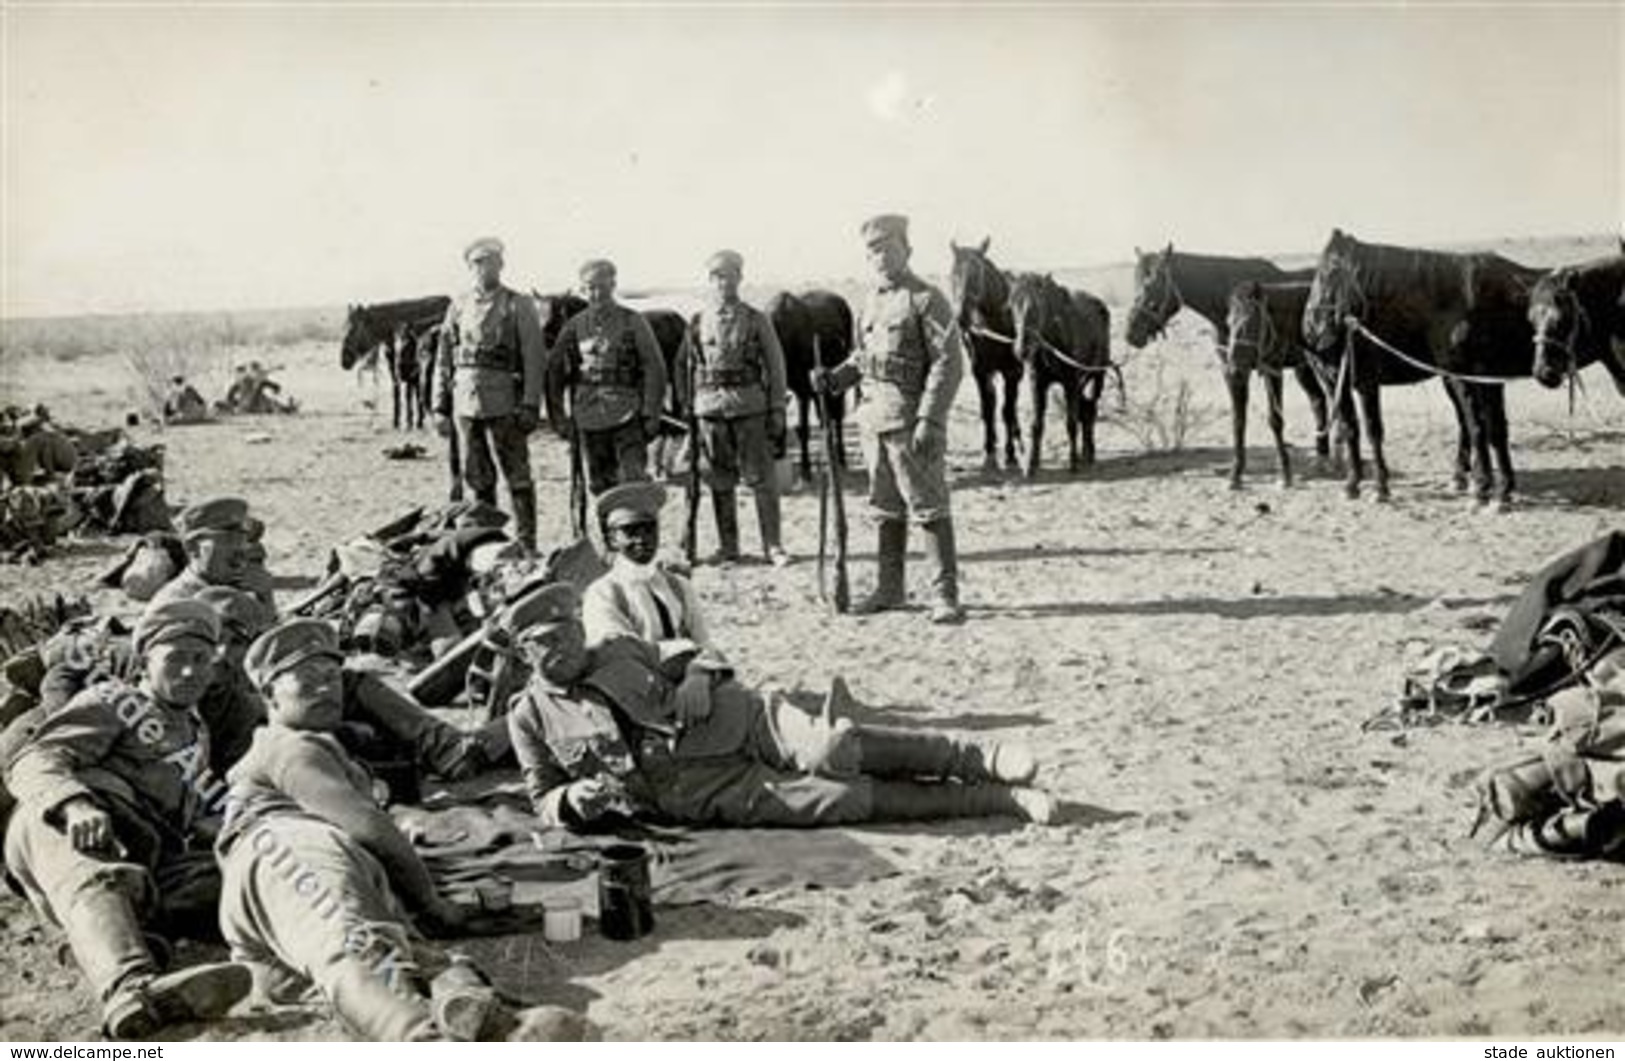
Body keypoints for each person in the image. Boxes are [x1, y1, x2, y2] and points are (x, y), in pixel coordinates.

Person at [217, 618, 590, 1041]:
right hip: (287, 849)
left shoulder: (316, 744)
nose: (326, 689)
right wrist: (434, 904)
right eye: (307, 680)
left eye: (333, 678)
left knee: (398, 959)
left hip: (281, 886)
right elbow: (368, 827)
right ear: (268, 693)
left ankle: (477, 1016)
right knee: (356, 947)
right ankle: (416, 1036)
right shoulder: (290, 747)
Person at [504, 582, 1055, 829]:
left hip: (743, 719)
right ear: (523, 652)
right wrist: (572, 800)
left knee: (830, 749)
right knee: (838, 799)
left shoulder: (616, 648)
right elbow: (541, 796)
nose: (566, 650)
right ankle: (994, 800)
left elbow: (701, 651)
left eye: (570, 634)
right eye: (547, 644)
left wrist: (698, 672)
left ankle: (972, 757)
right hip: (697, 793)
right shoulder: (527, 716)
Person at [2, 601, 253, 1038]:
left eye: (200, 660)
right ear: (145, 661)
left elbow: (188, 812)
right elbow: (34, 760)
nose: (190, 673)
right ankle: (130, 989)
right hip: (57, 830)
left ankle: (142, 938)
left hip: (143, 851)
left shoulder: (196, 731)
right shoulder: (113, 701)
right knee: (97, 872)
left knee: (238, 871)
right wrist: (75, 805)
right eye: (175, 659)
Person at [813, 214, 968, 624]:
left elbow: (949, 363)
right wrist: (834, 378)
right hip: (872, 421)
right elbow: (863, 358)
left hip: (910, 420)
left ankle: (944, 594)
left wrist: (930, 420)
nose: (881, 257)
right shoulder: (872, 301)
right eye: (873, 251)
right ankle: (890, 589)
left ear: (907, 250)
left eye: (889, 248)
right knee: (885, 507)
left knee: (928, 506)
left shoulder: (926, 299)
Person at [433, 238, 547, 552]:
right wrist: (439, 405)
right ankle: (488, 543)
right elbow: (444, 358)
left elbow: (535, 357)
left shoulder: (517, 303)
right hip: (465, 403)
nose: (486, 268)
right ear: (470, 267)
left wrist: (530, 403)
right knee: (477, 480)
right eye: (479, 262)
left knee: (517, 477)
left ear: (502, 264)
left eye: (492, 261)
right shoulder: (458, 305)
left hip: (504, 403)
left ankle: (527, 543)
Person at [676, 250, 790, 566]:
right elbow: (683, 366)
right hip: (710, 410)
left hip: (749, 407)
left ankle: (773, 545)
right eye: (717, 277)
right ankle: (729, 546)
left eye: (730, 275)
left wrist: (777, 407)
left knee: (762, 480)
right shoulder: (698, 321)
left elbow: (776, 366)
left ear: (740, 278)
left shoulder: (756, 319)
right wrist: (689, 405)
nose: (724, 282)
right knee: (718, 479)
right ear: (710, 280)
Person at [551, 259, 667, 497]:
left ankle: (639, 534)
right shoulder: (574, 326)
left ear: (613, 285)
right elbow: (554, 371)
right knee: (600, 486)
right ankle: (609, 535)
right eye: (589, 287)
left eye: (601, 286)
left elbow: (654, 367)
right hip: (588, 416)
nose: (596, 293)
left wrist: (651, 413)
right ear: (582, 289)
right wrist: (558, 418)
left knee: (633, 481)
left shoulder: (633, 321)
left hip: (628, 413)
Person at [581, 481, 722, 661]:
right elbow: (619, 652)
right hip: (637, 682)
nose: (642, 539)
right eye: (630, 532)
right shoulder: (603, 593)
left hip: (687, 676)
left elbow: (703, 642)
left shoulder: (678, 586)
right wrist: (683, 649)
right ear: (612, 540)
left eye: (649, 529)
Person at [148, 497, 275, 613]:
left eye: (243, 539)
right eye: (227, 539)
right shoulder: (176, 605)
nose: (240, 555)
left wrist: (265, 596)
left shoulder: (238, 595)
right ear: (193, 547)